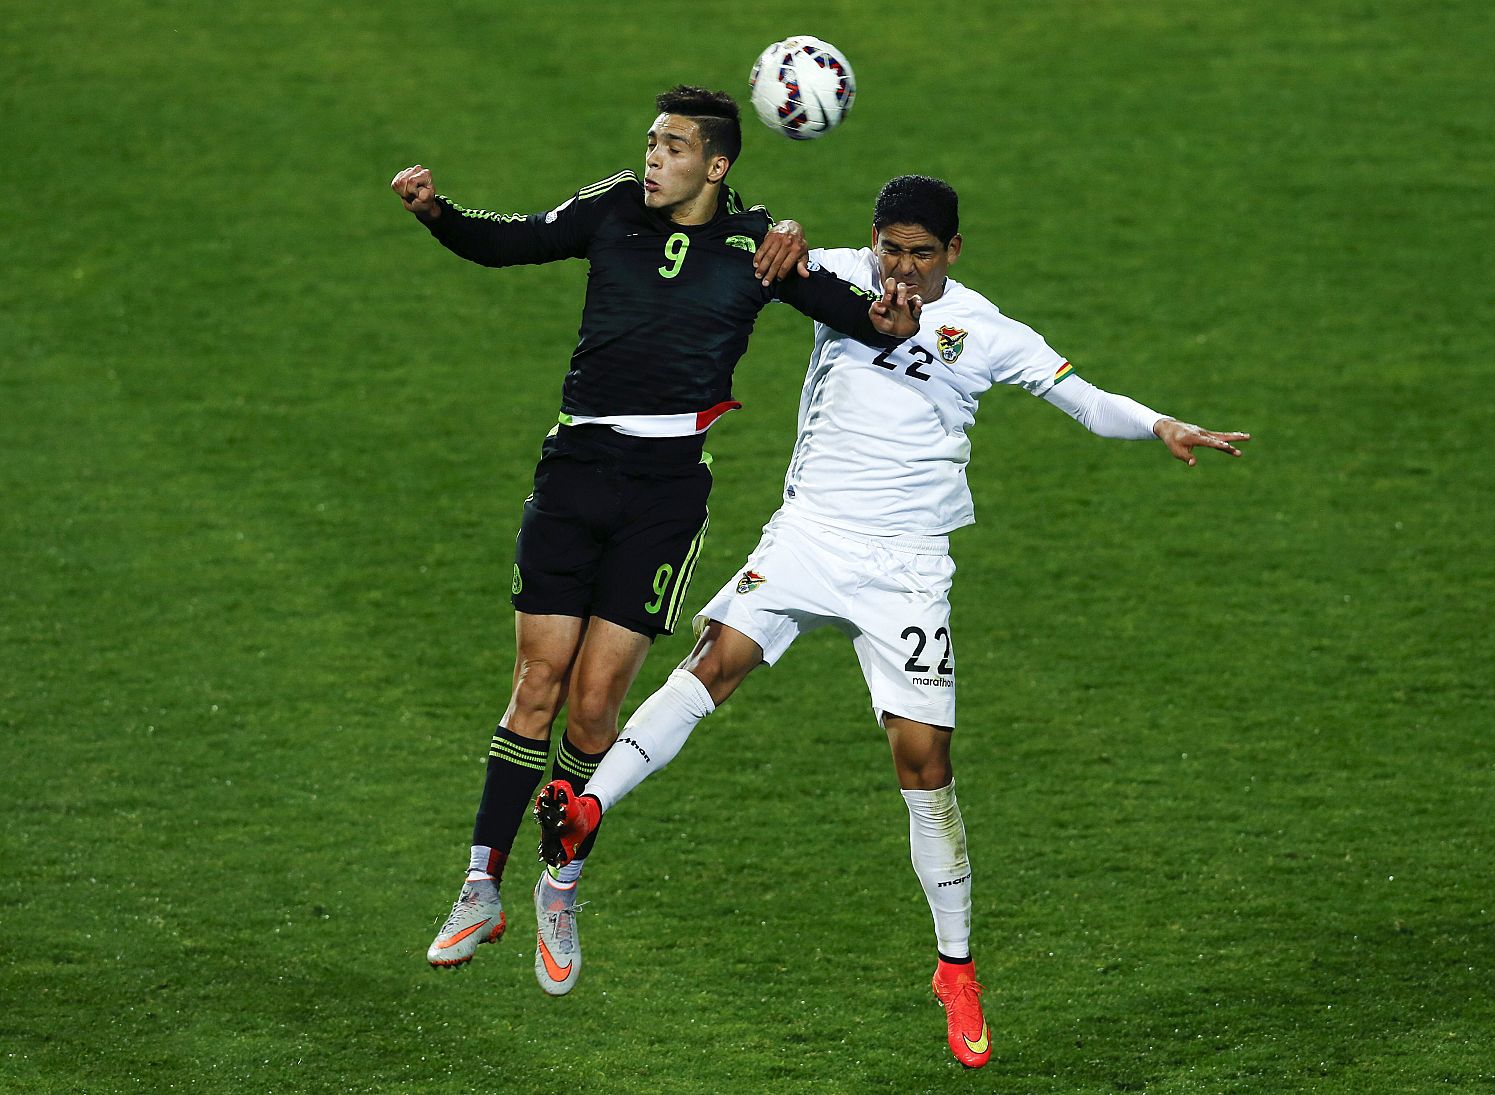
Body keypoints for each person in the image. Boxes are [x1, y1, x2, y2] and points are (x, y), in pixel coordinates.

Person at [535, 174, 1250, 1066]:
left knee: (926, 762)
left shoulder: (989, 332)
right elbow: (739, 249)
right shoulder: (835, 277)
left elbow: (1083, 398)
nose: (901, 269)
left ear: (953, 252)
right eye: (890, 249)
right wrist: (777, 230)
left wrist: (1159, 425)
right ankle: (576, 825)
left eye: (920, 253)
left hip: (908, 567)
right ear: (871, 242)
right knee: (716, 661)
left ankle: (955, 967)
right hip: (809, 534)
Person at [393, 87, 921, 994]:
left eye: (673, 147)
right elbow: (508, 240)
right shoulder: (609, 210)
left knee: (595, 707)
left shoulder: (762, 250)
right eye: (650, 142)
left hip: (665, 493)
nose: (652, 158)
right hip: (574, 473)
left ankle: (559, 881)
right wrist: (437, 211)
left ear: (715, 165)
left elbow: (861, 317)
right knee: (535, 684)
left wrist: (896, 315)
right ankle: (480, 883)